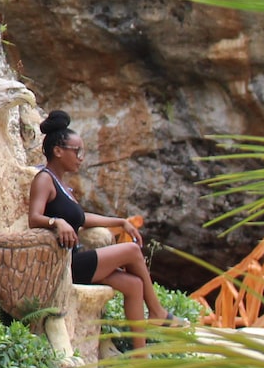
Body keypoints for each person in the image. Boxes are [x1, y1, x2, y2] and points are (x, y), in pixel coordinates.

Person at [27, 109, 177, 328]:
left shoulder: (64, 186)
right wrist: (56, 222)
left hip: (75, 261)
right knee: (133, 251)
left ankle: (139, 357)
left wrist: (119, 221)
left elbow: (82, 219)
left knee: (134, 285)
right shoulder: (44, 179)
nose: (81, 157)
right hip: (65, 264)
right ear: (58, 151)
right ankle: (157, 312)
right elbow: (34, 217)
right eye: (76, 151)